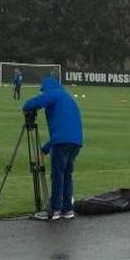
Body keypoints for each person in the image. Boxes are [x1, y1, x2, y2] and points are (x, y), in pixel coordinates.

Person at [23, 76, 83, 220]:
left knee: (57, 175)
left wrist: (26, 107)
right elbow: (65, 131)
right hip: (76, 142)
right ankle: (67, 209)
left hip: (62, 142)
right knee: (67, 175)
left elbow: (32, 103)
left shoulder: (53, 94)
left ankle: (54, 209)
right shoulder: (67, 97)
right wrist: (45, 149)